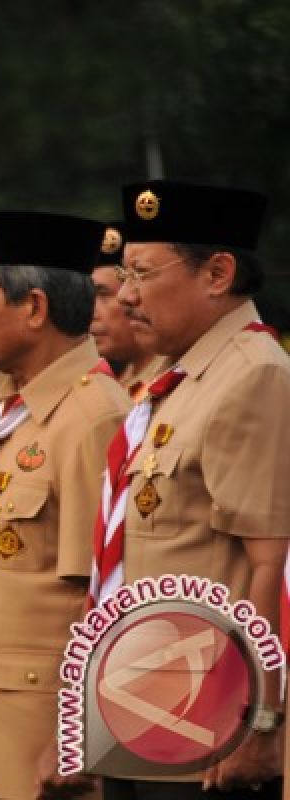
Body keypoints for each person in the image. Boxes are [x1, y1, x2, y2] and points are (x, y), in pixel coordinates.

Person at [0, 211, 130, 799]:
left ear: (34, 308)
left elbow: (103, 595)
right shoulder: (18, 409)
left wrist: (77, 733)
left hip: (33, 730)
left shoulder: (93, 416)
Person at [96, 181, 288, 799]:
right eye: (124, 275)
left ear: (218, 273)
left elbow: (273, 567)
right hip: (141, 701)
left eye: (143, 273)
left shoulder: (253, 375)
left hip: (205, 718)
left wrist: (259, 721)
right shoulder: (174, 377)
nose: (126, 296)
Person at [88, 223, 164, 399]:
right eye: (89, 296)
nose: (91, 313)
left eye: (104, 294)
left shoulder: (169, 380)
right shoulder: (115, 383)